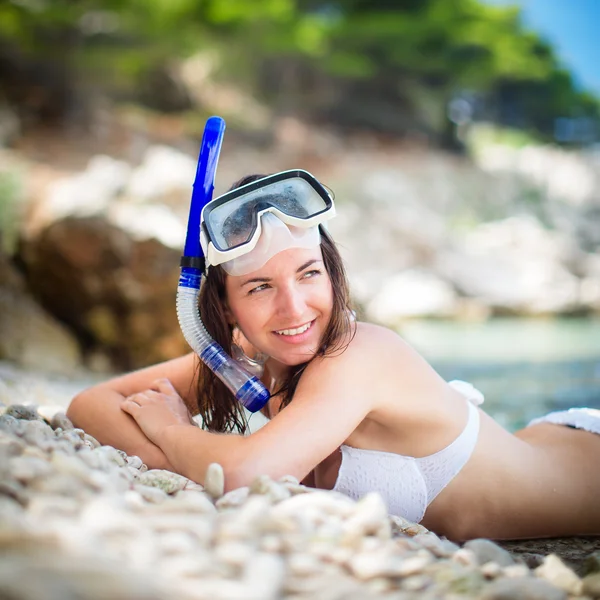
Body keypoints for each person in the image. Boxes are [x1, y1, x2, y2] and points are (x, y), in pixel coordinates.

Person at [67, 170, 600, 542]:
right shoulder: (245, 364)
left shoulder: (360, 353)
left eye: (309, 274)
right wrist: (189, 461)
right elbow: (91, 404)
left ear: (332, 273)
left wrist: (173, 432)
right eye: (258, 287)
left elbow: (238, 476)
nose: (294, 308)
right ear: (226, 311)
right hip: (536, 447)